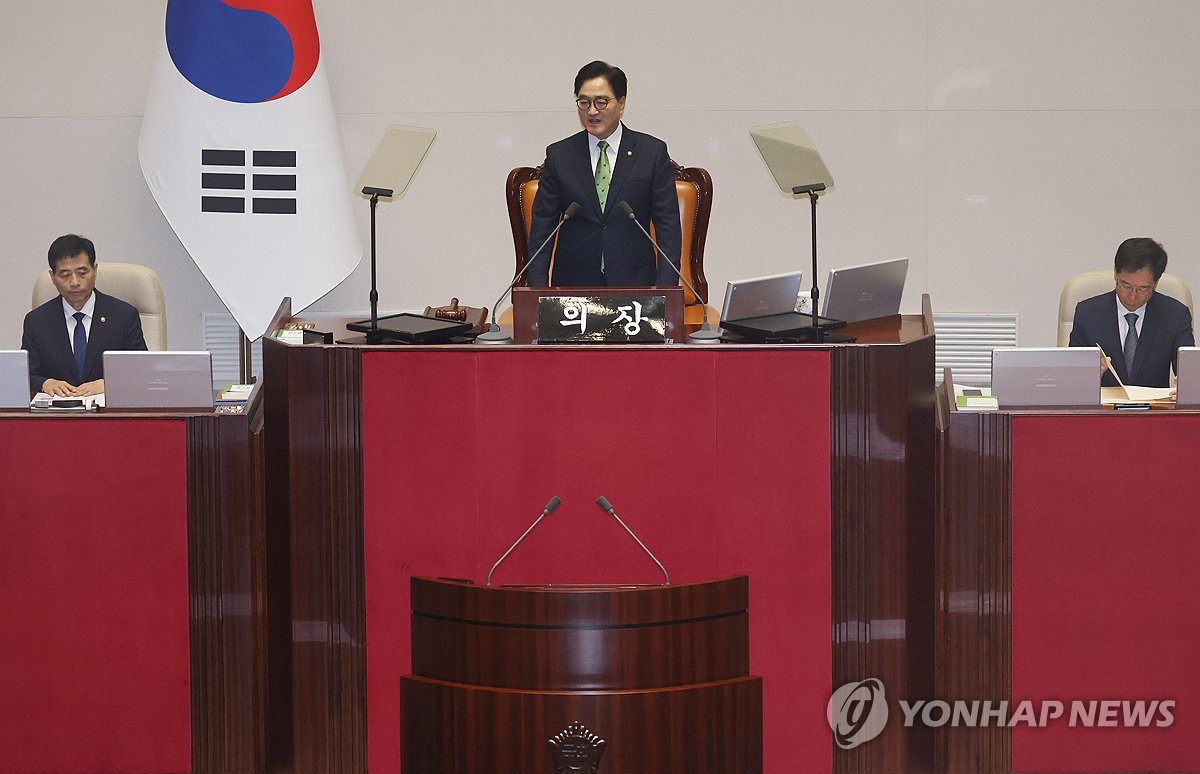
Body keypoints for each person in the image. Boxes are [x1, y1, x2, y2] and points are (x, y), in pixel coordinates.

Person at [526, 60, 682, 288]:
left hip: (635, 284)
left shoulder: (651, 153)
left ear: (621, 103)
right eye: (584, 102)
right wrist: (536, 295)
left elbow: (668, 229)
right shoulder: (560, 155)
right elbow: (542, 232)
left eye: (601, 102)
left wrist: (666, 292)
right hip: (573, 286)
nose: (591, 111)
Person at [22, 234, 147, 397]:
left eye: (82, 273)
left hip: (108, 414)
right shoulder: (37, 321)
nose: (74, 282)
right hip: (58, 415)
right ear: (53, 277)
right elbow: (26, 374)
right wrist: (45, 383)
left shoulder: (123, 316)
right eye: (65, 275)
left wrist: (110, 383)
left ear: (94, 270)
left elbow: (142, 370)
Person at [1068, 237, 1194, 387]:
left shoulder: (1175, 315)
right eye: (1125, 286)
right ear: (1116, 273)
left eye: (1143, 289)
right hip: (1104, 408)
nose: (1133, 296)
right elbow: (1072, 379)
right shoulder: (1088, 314)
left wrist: (1188, 384)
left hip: (1154, 408)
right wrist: (1088, 373)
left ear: (1156, 282)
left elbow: (1189, 372)